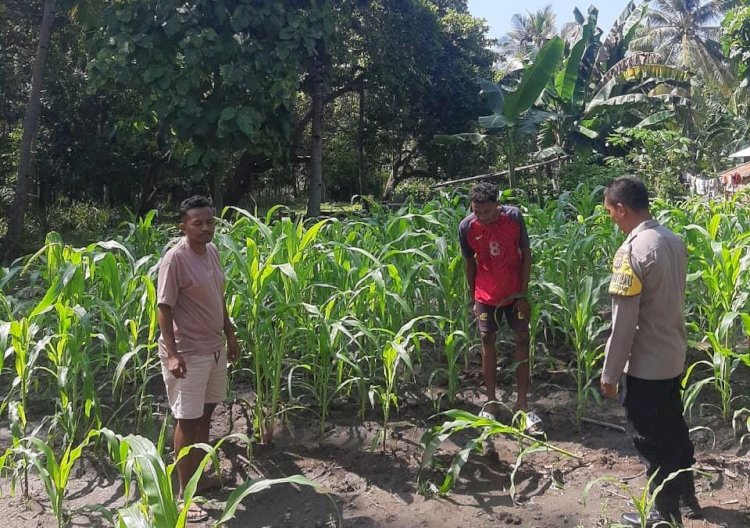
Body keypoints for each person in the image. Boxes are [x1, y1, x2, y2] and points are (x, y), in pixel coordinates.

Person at [600, 177, 701, 527]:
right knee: (674, 428)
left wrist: (610, 374)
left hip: (645, 364)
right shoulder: (672, 240)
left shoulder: (631, 252)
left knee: (649, 439)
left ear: (622, 209)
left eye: (610, 211)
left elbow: (624, 323)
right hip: (672, 355)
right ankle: (687, 496)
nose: (611, 218)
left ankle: (664, 512)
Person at [157, 195, 240, 522]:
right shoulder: (175, 260)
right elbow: (163, 308)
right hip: (188, 353)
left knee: (206, 415)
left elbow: (218, 297)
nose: (206, 228)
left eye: (210, 222)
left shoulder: (213, 253)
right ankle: (183, 495)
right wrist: (173, 354)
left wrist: (230, 333)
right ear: (184, 226)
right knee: (187, 420)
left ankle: (199, 478)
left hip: (214, 348)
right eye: (198, 223)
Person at [458, 182, 541, 434]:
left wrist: (523, 294)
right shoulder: (467, 227)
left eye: (486, 211)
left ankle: (523, 405)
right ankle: (491, 402)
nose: (481, 217)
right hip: (486, 293)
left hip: (514, 293)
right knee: (486, 339)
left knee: (522, 339)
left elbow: (526, 254)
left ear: (497, 205)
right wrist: (473, 297)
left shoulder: (514, 217)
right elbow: (469, 263)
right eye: (476, 211)